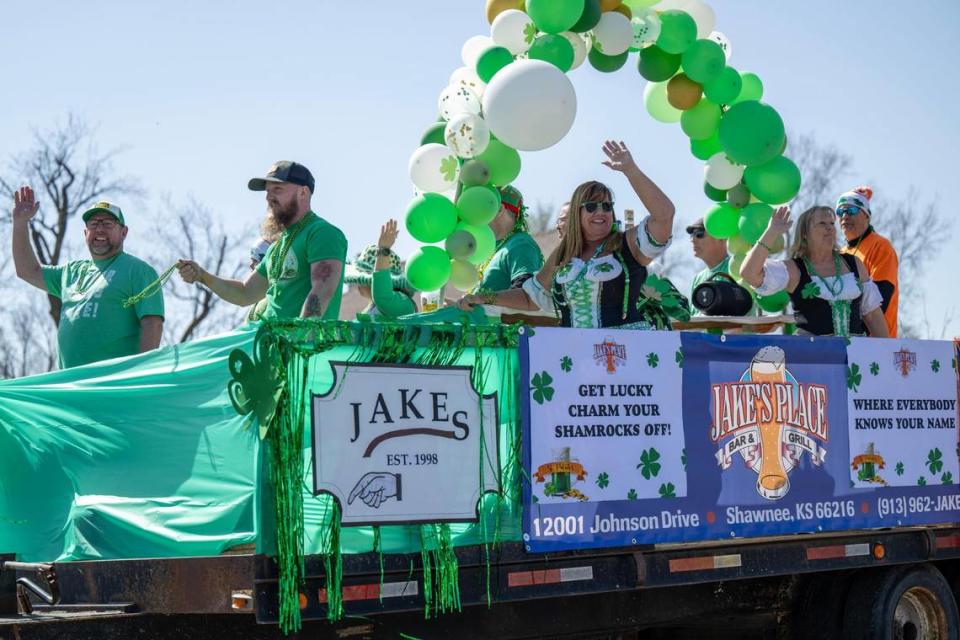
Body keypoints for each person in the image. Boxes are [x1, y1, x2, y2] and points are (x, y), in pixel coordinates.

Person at [457, 140, 688, 329]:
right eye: (591, 207)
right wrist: (484, 298)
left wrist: (631, 171)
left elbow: (664, 215)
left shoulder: (626, 245)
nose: (601, 212)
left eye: (607, 206)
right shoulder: (563, 255)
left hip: (627, 356)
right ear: (577, 213)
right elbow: (529, 298)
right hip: (576, 359)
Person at [11, 187, 164, 368]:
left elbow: (152, 324)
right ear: (85, 233)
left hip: (113, 384)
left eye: (108, 224)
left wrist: (141, 373)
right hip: (70, 385)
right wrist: (20, 223)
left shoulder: (139, 271)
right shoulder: (72, 271)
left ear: (124, 232)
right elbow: (27, 271)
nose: (99, 229)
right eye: (93, 224)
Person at [177, 161, 347, 320]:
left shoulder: (322, 233)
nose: (269, 197)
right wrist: (202, 276)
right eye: (267, 191)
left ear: (303, 192)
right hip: (269, 345)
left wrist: (300, 338)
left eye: (277, 189)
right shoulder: (276, 247)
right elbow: (245, 293)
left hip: (303, 347)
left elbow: (323, 289)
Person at [740, 205, 888, 338]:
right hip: (813, 359)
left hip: (854, 359)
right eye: (822, 224)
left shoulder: (853, 264)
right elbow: (749, 274)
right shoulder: (795, 269)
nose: (829, 228)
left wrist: (885, 353)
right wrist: (772, 232)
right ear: (805, 233)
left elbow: (873, 315)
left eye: (831, 223)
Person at [837, 186, 899, 337]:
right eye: (840, 211)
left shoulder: (880, 246)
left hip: (875, 342)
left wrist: (855, 331)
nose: (845, 216)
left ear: (866, 216)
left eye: (851, 210)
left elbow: (880, 298)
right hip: (844, 341)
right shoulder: (840, 254)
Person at [471, 185, 543, 293]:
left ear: (499, 209)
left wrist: (481, 300)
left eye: (481, 207)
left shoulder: (521, 245)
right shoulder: (490, 247)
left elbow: (524, 298)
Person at [343, 219, 417, 319]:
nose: (357, 283)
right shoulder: (369, 310)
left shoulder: (403, 302)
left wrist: (383, 250)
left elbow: (382, 297)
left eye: (361, 277)